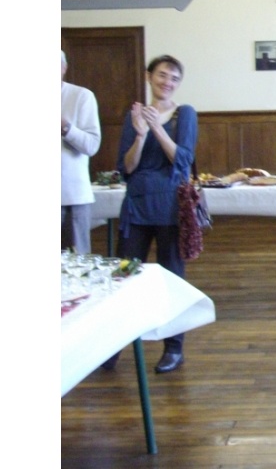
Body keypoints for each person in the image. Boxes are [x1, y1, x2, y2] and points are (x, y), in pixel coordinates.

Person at [116, 54, 198, 374]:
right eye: (163, 75)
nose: (168, 82)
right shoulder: (133, 115)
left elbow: (182, 160)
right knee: (125, 275)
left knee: (171, 278)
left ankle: (174, 348)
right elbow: (127, 167)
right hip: (136, 204)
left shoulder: (184, 114)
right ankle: (115, 345)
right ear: (149, 76)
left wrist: (155, 128)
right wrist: (139, 133)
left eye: (175, 78)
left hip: (170, 207)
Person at [61, 50, 102, 254]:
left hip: (72, 199)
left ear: (63, 68)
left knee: (76, 266)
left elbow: (92, 146)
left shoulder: (81, 96)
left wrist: (66, 128)